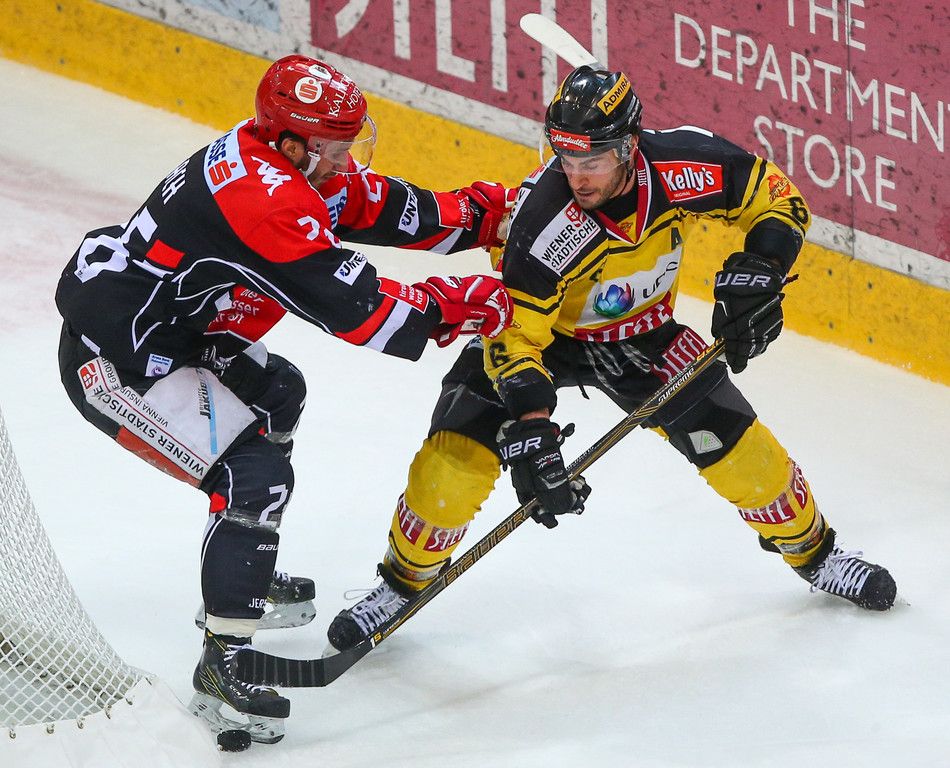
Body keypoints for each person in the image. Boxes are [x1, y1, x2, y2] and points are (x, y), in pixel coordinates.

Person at [325, 65, 898, 655]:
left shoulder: (680, 165)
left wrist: (765, 265)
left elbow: (773, 195)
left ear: (628, 147)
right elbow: (515, 336)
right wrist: (532, 426)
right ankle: (399, 585)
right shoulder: (543, 222)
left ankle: (818, 555)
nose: (576, 176)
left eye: (592, 160)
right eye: (566, 157)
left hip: (644, 336)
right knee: (450, 466)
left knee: (744, 455)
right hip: (541, 341)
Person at [55, 54, 515, 744]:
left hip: (178, 334)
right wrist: (462, 302)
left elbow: (379, 206)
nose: (346, 160)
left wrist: (486, 215)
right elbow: (363, 312)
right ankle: (224, 661)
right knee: (254, 477)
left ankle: (240, 572)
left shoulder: (283, 161)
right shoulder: (264, 202)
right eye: (335, 147)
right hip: (120, 364)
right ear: (294, 144)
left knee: (279, 392)